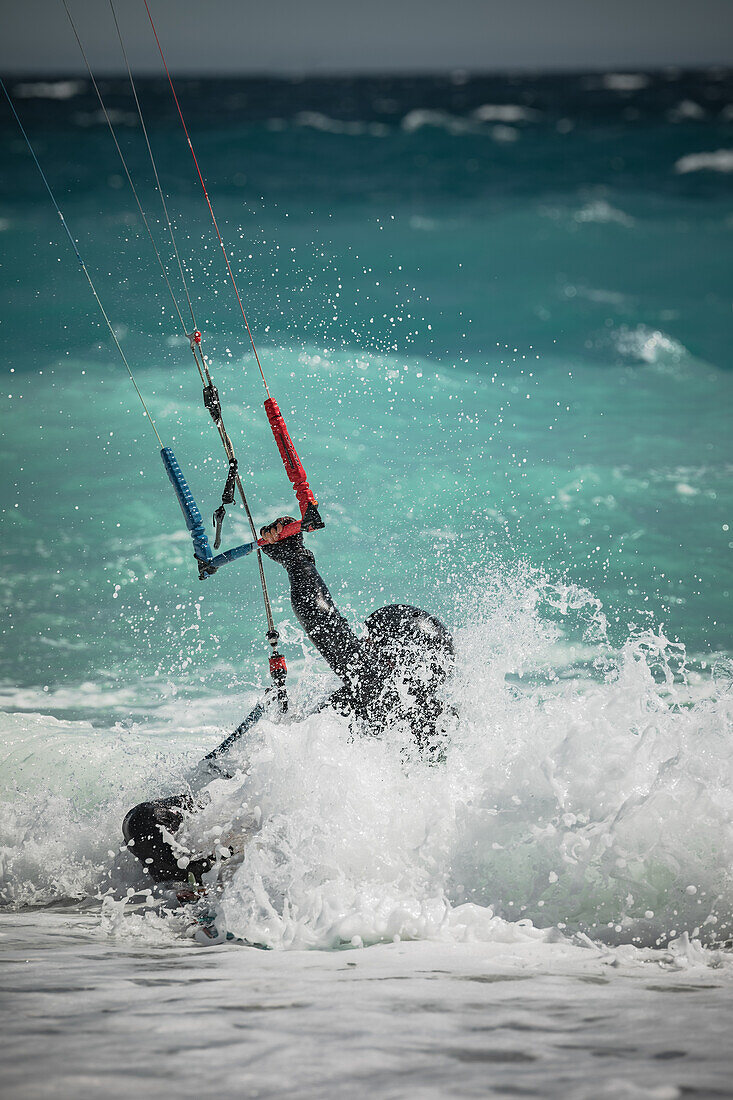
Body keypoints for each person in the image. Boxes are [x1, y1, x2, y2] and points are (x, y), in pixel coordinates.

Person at [122, 519, 455, 886]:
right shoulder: (438, 720)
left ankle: (190, 886)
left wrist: (298, 559)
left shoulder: (381, 689)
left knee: (142, 821)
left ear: (399, 656)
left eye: (374, 643)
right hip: (322, 836)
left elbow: (322, 619)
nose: (364, 648)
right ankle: (197, 885)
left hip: (289, 825)